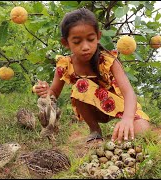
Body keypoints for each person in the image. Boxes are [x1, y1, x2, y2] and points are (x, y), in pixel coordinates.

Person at [33, 8, 150, 144]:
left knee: (142, 131)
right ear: (66, 43)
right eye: (77, 42)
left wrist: (128, 118)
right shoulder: (65, 65)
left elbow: (129, 93)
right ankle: (95, 131)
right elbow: (54, 93)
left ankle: (126, 124)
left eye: (90, 39)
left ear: (98, 36)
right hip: (96, 111)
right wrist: (45, 92)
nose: (85, 47)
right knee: (82, 85)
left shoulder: (108, 60)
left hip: (121, 105)